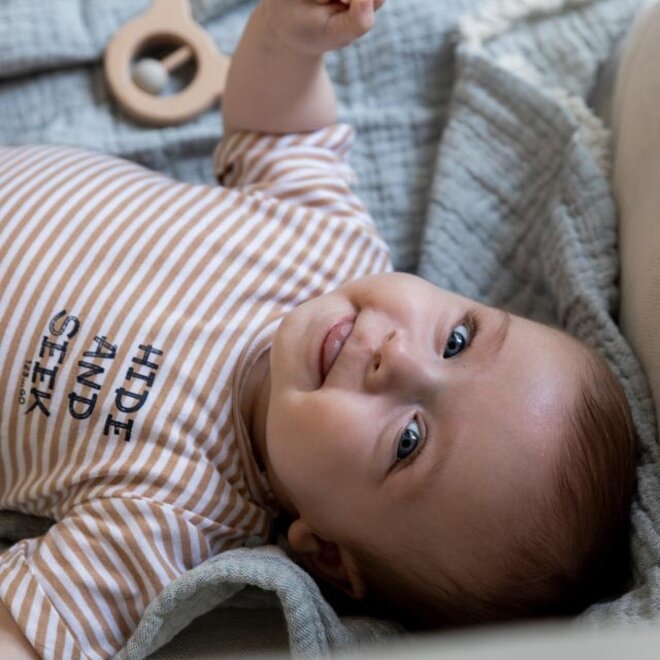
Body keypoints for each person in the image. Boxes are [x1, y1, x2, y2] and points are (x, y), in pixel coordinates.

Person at [0, 0, 636, 657]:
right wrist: (288, 40)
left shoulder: (172, 519)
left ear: (327, 553)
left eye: (409, 441)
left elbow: (32, 628)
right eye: (456, 340)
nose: (399, 359)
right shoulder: (332, 248)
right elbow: (279, 133)